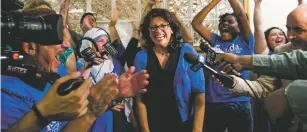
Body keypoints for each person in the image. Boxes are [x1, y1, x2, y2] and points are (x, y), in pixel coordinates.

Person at [1, 8, 150, 132]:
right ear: (30, 48)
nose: (66, 45)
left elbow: (79, 117)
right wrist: (40, 115)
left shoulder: (58, 72)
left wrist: (112, 94)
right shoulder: (5, 98)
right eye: (57, 39)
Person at [135, 8, 205, 132]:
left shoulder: (187, 51)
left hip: (184, 124)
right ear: (148, 31)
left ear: (172, 29)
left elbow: (199, 96)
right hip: (153, 125)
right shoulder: (141, 57)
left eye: (163, 25)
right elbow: (140, 100)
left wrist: (197, 130)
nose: (158, 30)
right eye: (153, 27)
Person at [192, 0, 254, 131]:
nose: (225, 23)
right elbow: (196, 24)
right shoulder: (215, 41)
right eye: (223, 22)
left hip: (240, 102)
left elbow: (241, 15)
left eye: (230, 21)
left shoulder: (245, 41)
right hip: (215, 103)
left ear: (240, 26)